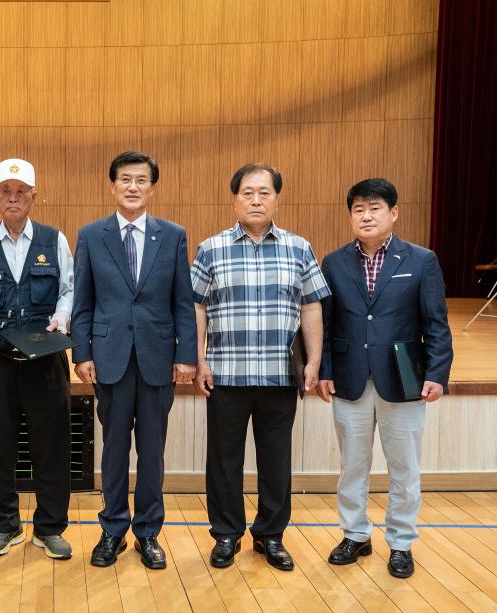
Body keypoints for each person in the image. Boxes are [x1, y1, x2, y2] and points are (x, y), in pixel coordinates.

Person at [191, 163, 329, 571]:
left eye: (264, 192)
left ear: (276, 198)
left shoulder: (299, 248)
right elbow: (196, 307)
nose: (256, 200)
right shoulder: (211, 248)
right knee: (223, 461)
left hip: (279, 375)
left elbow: (311, 305)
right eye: (247, 192)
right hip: (225, 375)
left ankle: (271, 535)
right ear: (235, 199)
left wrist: (314, 361)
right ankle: (226, 533)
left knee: (276, 461)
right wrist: (199, 360)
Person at [317, 178, 452, 579]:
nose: (366, 216)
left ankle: (401, 542)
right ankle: (355, 534)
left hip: (403, 379)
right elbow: (326, 324)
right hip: (349, 378)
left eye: (374, 208)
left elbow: (436, 323)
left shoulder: (421, 260)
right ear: (350, 217)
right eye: (358, 209)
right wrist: (324, 371)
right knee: (352, 466)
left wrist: (437, 373)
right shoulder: (334, 262)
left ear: (393, 213)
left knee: (404, 469)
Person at [72, 151, 197, 570]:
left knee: (152, 451)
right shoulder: (91, 235)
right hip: (109, 359)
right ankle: (112, 530)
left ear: (152, 188)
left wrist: (186, 355)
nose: (133, 187)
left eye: (141, 180)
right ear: (113, 186)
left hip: (158, 359)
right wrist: (82, 353)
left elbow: (183, 302)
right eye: (125, 179)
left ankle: (148, 532)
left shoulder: (173, 235)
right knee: (113, 451)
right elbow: (83, 301)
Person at [0, 158, 74, 560]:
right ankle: (4, 526)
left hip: (45, 362)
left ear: (34, 196)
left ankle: (50, 528)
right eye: (6, 191)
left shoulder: (54, 240)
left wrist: (63, 314)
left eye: (21, 191)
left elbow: (71, 289)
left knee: (51, 448)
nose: (13, 198)